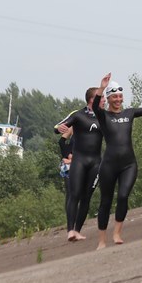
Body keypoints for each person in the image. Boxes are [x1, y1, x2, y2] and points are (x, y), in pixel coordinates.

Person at [94, 74, 142, 248]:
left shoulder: (129, 113)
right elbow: (96, 106)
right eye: (114, 97)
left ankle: (117, 233)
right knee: (106, 201)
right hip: (109, 165)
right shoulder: (104, 116)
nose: (118, 99)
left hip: (128, 164)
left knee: (124, 196)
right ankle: (102, 240)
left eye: (120, 96)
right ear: (109, 99)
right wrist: (101, 87)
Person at [54, 88, 105, 241]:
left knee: (86, 197)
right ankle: (70, 230)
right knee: (74, 194)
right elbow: (58, 128)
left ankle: (77, 230)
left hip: (96, 163)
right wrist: (58, 128)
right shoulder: (78, 115)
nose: (104, 100)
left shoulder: (104, 116)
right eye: (101, 97)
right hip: (79, 162)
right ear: (92, 99)